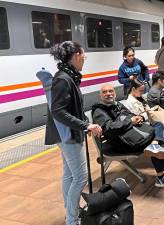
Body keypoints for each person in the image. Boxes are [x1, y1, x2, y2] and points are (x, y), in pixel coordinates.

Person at [47, 41, 102, 225]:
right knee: (80, 177)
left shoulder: (68, 76)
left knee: (69, 175)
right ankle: (72, 219)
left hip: (66, 134)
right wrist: (85, 126)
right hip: (68, 136)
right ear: (76, 55)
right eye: (84, 55)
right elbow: (58, 111)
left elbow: (70, 109)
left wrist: (85, 122)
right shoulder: (63, 79)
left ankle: (72, 211)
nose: (84, 59)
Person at [92, 84, 164, 190]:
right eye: (105, 92)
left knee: (158, 125)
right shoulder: (99, 111)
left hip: (129, 135)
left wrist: (138, 117)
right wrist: (130, 122)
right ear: (100, 96)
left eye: (111, 91)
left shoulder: (117, 104)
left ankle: (155, 145)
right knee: (155, 138)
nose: (108, 94)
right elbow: (109, 128)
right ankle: (160, 177)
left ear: (114, 93)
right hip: (122, 143)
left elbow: (129, 114)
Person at [125, 79, 164, 151]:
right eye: (141, 91)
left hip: (155, 122)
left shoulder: (139, 98)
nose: (142, 93)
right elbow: (138, 120)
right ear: (133, 89)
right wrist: (147, 112)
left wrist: (149, 111)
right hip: (147, 127)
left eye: (143, 91)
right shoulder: (129, 103)